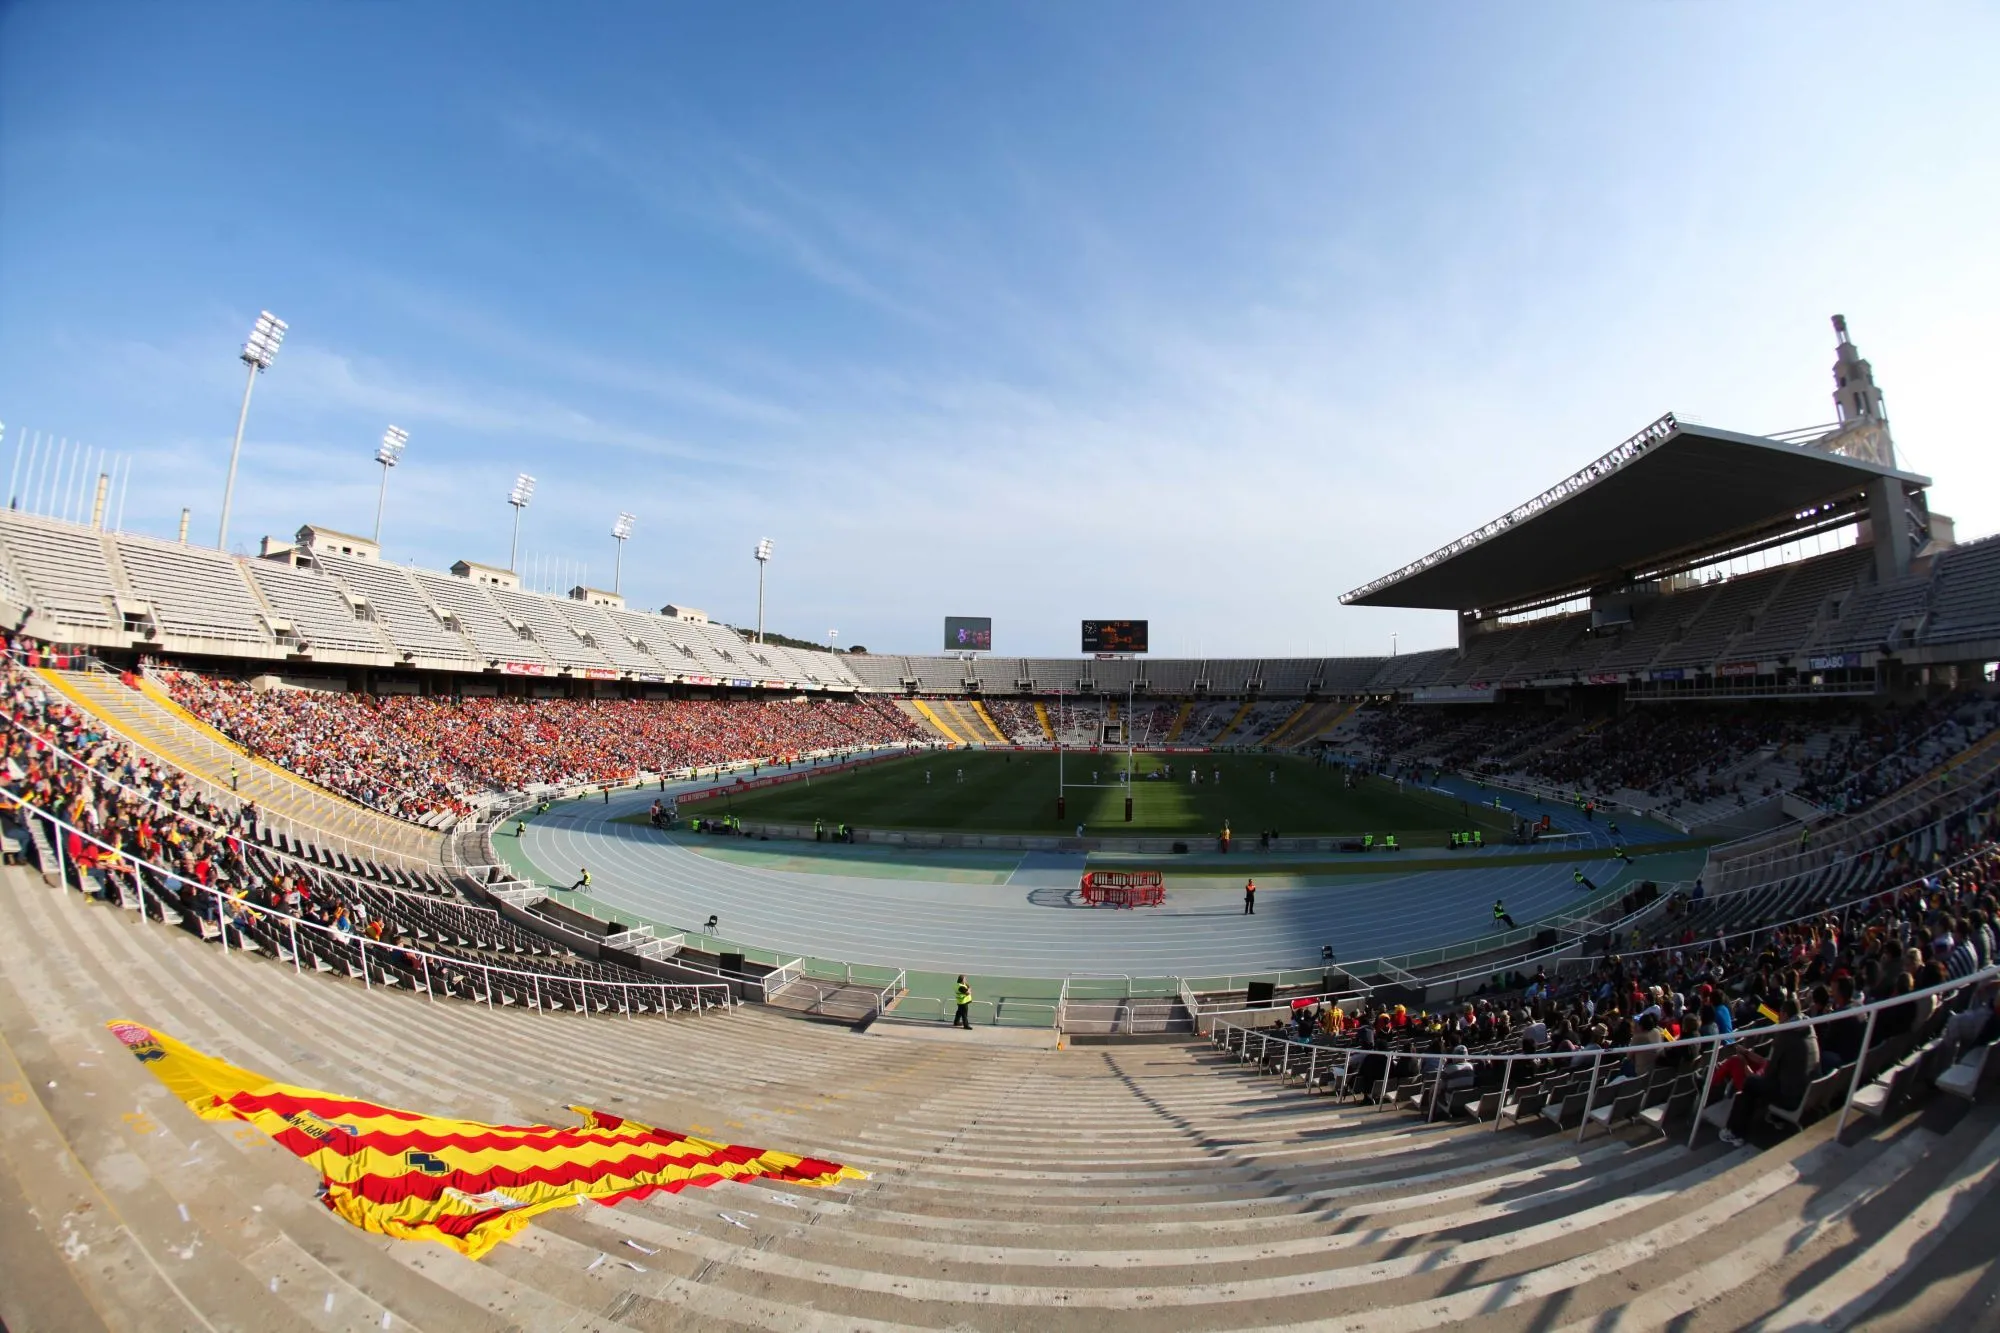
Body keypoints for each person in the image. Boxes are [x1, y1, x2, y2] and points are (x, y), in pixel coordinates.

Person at [1720, 995, 1817, 1147]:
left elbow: (1769, 1074)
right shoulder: (1810, 1028)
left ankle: (1736, 1132)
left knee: (1750, 1084)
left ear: (1784, 1014)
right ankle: (1774, 1118)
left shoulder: (1785, 1035)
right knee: (1752, 1085)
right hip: (1808, 1090)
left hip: (1791, 1097)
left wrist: (1746, 1064)